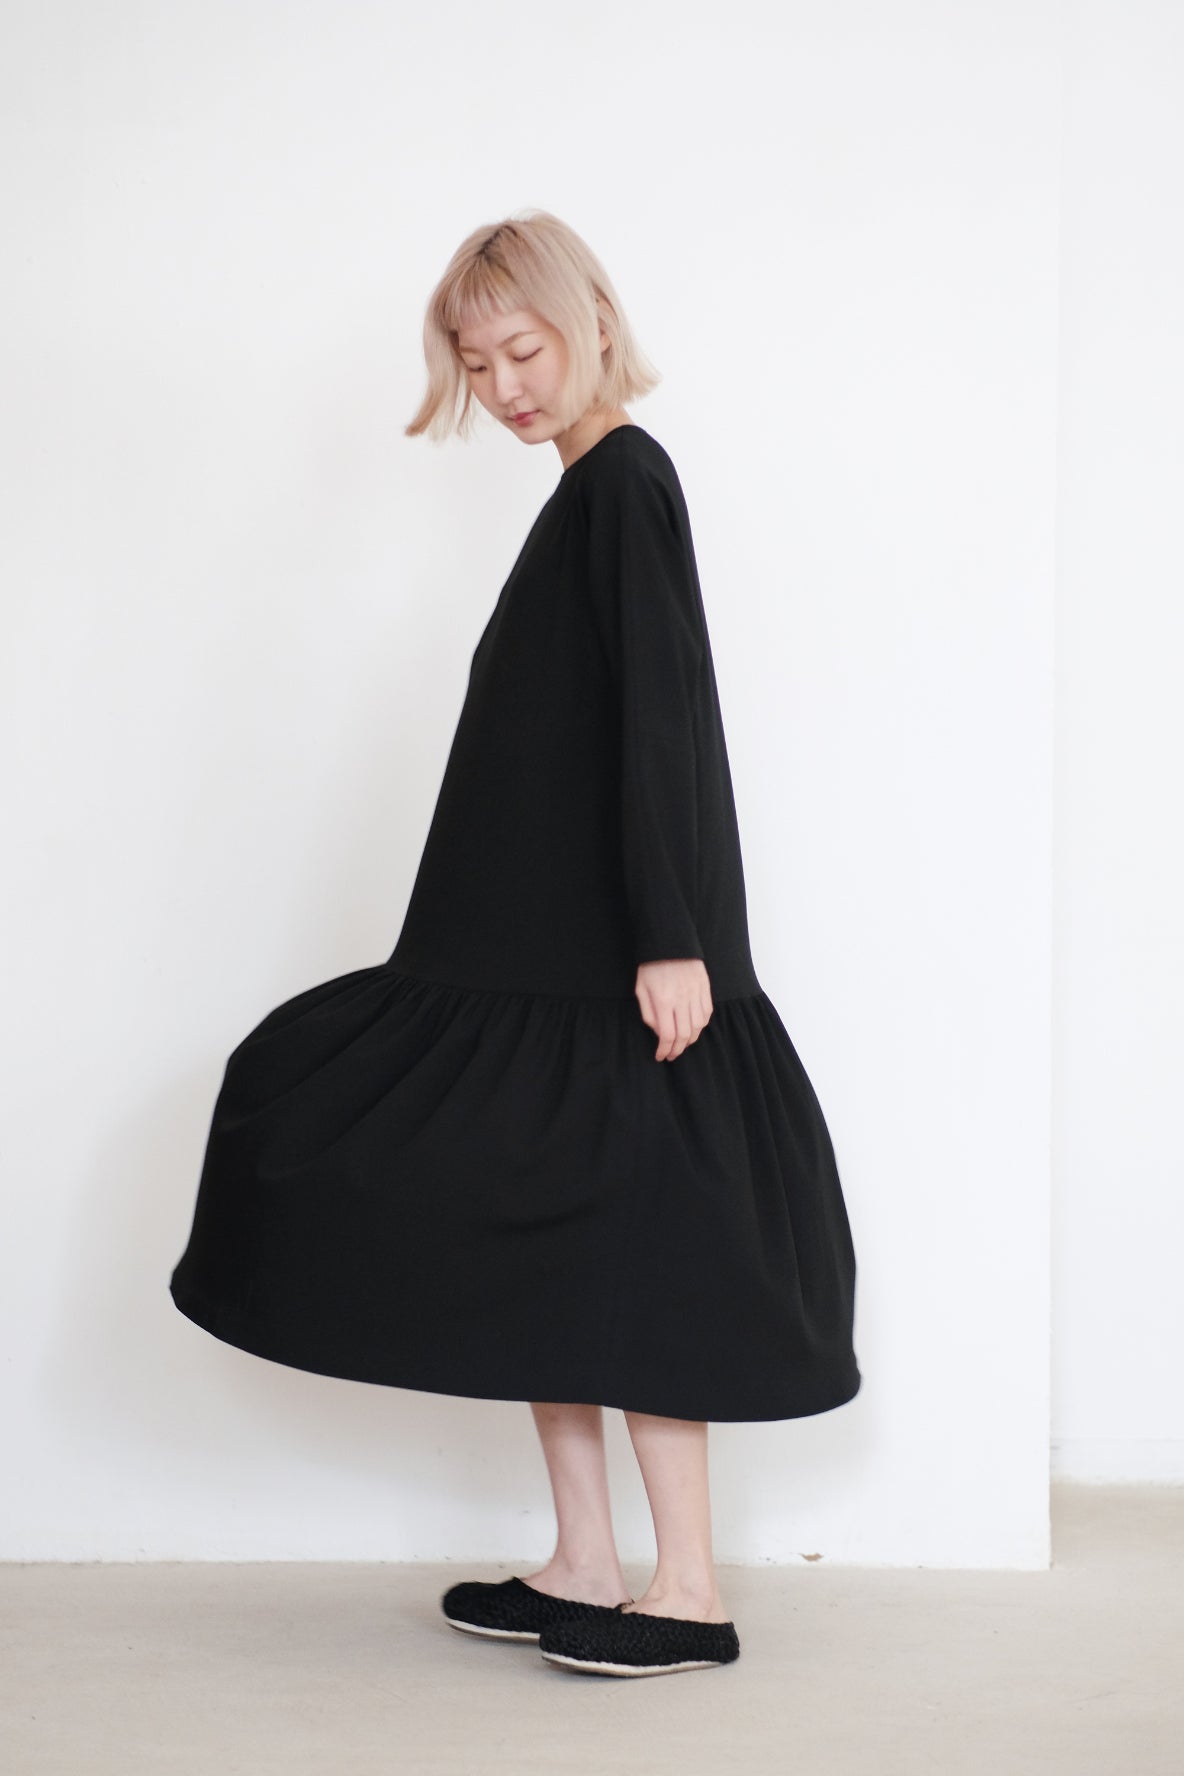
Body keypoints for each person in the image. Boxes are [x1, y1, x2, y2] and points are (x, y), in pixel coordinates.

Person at [168, 209, 861, 1680]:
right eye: (478, 366)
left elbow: (661, 715)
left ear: (593, 321)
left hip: (613, 966)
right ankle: (583, 1562)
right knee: (552, 1245)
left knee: (644, 1259)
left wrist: (672, 937)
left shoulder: (626, 481)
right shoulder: (579, 493)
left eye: (524, 351)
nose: (505, 388)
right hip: (528, 964)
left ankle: (688, 1594)